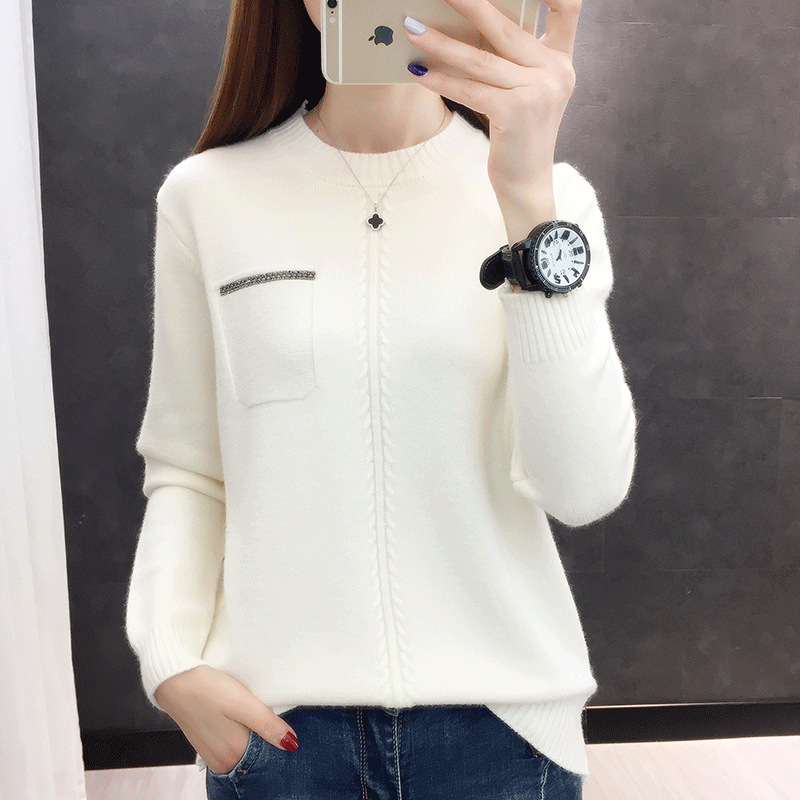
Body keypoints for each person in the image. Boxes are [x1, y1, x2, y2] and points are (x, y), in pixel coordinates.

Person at [125, 0, 637, 798]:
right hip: (279, 737)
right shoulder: (208, 195)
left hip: (505, 736)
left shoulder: (549, 201)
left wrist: (527, 202)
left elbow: (584, 488)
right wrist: (170, 661)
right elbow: (189, 468)